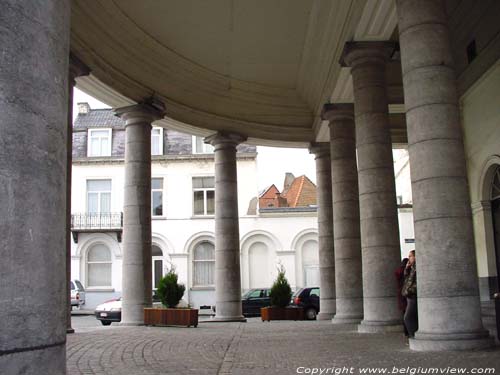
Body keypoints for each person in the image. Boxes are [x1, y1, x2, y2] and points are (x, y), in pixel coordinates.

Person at [402, 250, 418, 338]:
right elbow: (407, 280)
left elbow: (415, 282)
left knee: (407, 317)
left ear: (415, 257)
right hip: (409, 296)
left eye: (410, 256)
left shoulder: (417, 267)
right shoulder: (412, 268)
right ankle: (413, 335)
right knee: (411, 317)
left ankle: (413, 336)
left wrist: (410, 290)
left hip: (413, 295)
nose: (409, 258)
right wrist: (407, 269)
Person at [395, 257, 409, 337]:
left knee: (405, 313)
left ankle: (406, 331)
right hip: (405, 294)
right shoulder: (404, 271)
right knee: (407, 313)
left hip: (401, 294)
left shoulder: (399, 270)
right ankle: (408, 331)